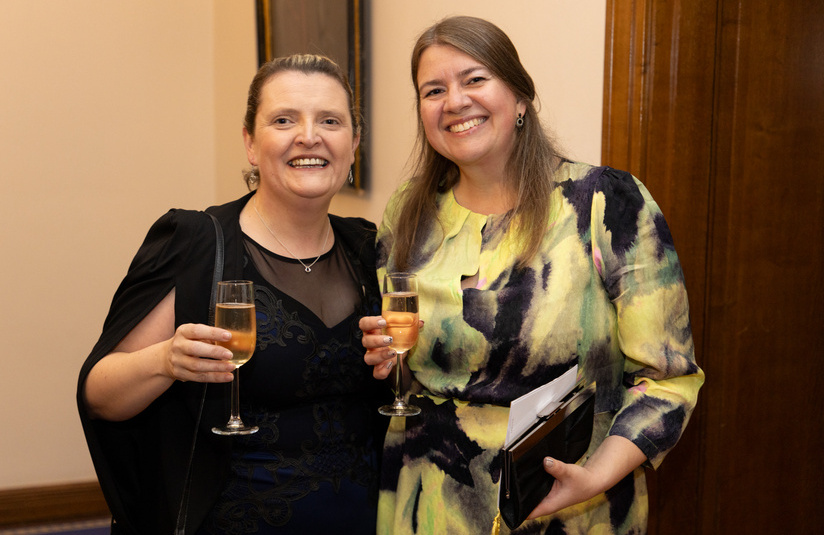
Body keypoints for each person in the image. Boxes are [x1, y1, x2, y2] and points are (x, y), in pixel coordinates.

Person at [359, 15, 705, 534]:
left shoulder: (605, 204)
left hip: (569, 506)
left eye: (475, 79)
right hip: (428, 502)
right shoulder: (409, 212)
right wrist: (388, 359)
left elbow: (668, 380)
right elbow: (411, 369)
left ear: (519, 97)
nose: (454, 101)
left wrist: (593, 476)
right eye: (434, 90)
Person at [77, 54, 389, 534]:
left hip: (364, 519)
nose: (309, 136)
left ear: (354, 143)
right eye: (283, 120)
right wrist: (166, 360)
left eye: (330, 120)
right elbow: (101, 394)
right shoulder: (198, 240)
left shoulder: (367, 247)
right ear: (249, 141)